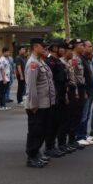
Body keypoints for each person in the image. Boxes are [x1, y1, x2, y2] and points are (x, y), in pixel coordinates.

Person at [24, 38, 53, 168]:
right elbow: (31, 87)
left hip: (45, 103)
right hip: (37, 104)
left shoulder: (40, 61)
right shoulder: (33, 63)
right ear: (35, 47)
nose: (45, 49)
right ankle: (31, 157)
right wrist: (33, 104)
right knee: (35, 131)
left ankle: (36, 154)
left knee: (42, 130)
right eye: (43, 46)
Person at [42, 39, 67, 158]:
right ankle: (49, 147)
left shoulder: (58, 62)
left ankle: (53, 146)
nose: (64, 50)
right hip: (54, 97)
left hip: (61, 95)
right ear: (55, 48)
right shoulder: (50, 62)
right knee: (51, 123)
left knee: (58, 122)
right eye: (61, 47)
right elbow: (50, 81)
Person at [75, 40, 93, 146]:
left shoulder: (87, 60)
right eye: (89, 46)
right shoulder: (80, 60)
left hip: (90, 91)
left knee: (87, 114)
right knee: (83, 115)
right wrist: (85, 92)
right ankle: (80, 136)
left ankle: (84, 134)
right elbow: (81, 78)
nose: (91, 48)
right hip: (85, 92)